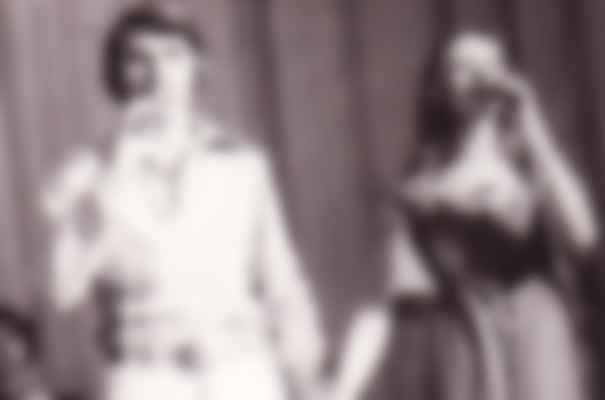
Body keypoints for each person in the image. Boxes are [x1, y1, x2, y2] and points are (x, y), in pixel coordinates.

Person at [40, 4, 325, 400]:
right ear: (117, 74)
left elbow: (282, 284)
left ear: (197, 66)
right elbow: (63, 290)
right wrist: (109, 176)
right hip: (145, 378)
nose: (159, 75)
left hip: (242, 373)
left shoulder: (242, 164)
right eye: (139, 60)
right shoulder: (92, 171)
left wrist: (310, 380)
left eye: (174, 56)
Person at [330, 31, 597, 400]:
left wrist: (534, 131)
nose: (480, 74)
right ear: (438, 90)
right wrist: (339, 390)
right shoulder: (420, 194)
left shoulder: (533, 173)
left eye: (490, 63)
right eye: (462, 67)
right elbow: (380, 306)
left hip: (542, 346)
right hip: (469, 355)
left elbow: (583, 236)